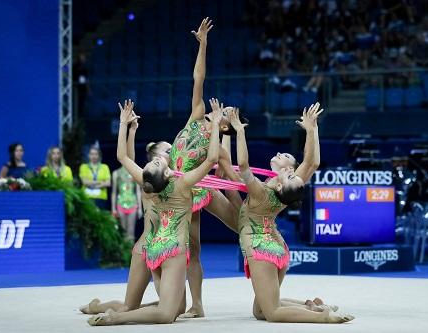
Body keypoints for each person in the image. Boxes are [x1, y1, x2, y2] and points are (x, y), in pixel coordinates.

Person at [87, 98, 222, 325]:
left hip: (149, 246)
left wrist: (125, 127)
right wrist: (216, 124)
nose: (159, 159)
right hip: (170, 249)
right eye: (157, 161)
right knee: (167, 313)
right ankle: (115, 318)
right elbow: (212, 158)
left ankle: (100, 308)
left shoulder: (146, 185)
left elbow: (123, 158)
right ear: (168, 173)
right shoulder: (182, 184)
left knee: (148, 306)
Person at [231, 104, 354, 323]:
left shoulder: (265, 190)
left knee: (271, 313)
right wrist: (311, 129)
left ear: (287, 173)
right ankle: (313, 307)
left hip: (261, 246)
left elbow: (243, 166)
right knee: (260, 310)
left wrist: (238, 131)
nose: (288, 169)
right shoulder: (290, 186)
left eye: (287, 162)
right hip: (273, 243)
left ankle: (324, 317)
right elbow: (312, 162)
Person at [169, 18, 246, 318]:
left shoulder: (220, 140)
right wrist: (203, 44)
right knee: (192, 248)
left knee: (241, 227)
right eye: (226, 107)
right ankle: (196, 305)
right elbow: (198, 78)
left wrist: (245, 207)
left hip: (197, 187)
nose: (225, 107)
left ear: (226, 124)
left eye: (229, 112)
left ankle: (258, 239)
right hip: (178, 186)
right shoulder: (196, 116)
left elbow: (232, 176)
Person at [80, 117, 171, 315]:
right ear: (155, 159)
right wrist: (130, 130)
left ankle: (141, 307)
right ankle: (97, 307)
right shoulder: (150, 181)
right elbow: (126, 158)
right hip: (147, 247)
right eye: (168, 151)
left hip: (168, 247)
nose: (173, 152)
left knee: (177, 307)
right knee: (128, 307)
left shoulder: (176, 179)